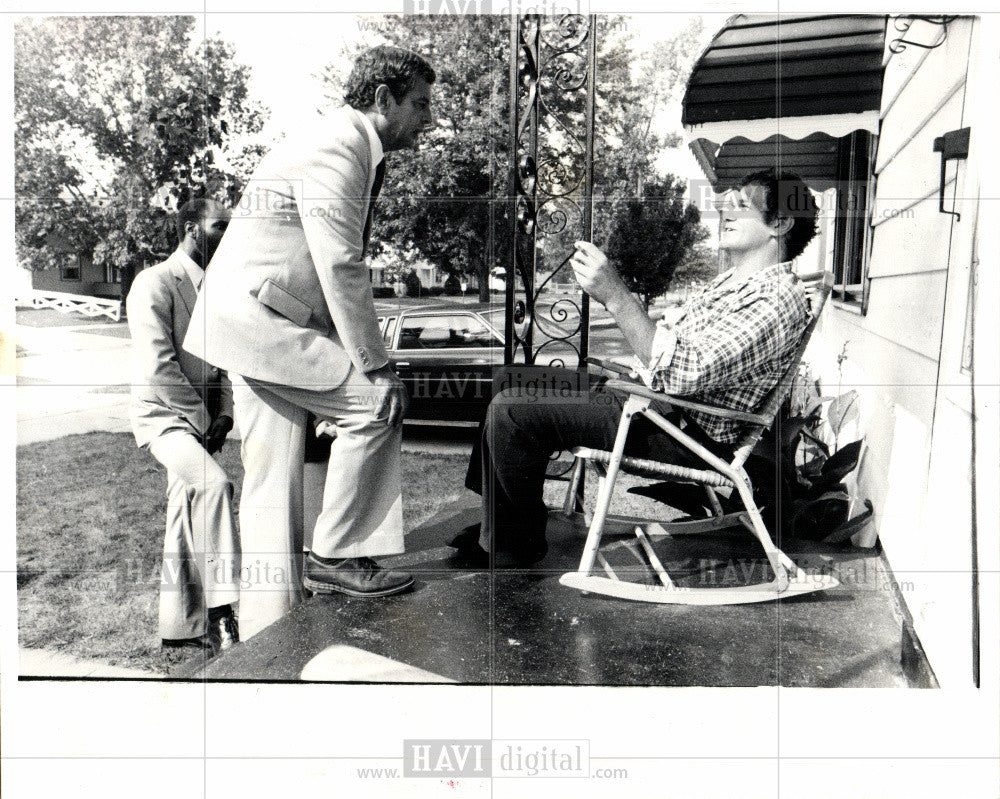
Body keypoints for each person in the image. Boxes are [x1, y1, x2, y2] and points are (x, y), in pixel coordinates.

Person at [183, 46, 436, 639]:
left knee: (272, 481)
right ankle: (337, 554)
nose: (427, 119)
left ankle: (271, 634)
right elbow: (339, 263)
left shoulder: (340, 142)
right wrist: (373, 365)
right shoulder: (341, 146)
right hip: (262, 326)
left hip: (247, 325)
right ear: (382, 99)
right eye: (420, 105)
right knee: (377, 405)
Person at [456, 169, 820, 566]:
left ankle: (514, 544)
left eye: (741, 206)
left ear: (780, 223)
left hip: (679, 429)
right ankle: (502, 523)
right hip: (647, 399)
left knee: (514, 411)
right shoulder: (735, 283)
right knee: (509, 379)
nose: (724, 212)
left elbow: (686, 373)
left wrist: (614, 295)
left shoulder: (776, 298)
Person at [127, 197, 239, 654]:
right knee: (214, 486)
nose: (227, 234)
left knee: (185, 512)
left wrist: (227, 414)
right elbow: (159, 368)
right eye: (219, 226)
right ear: (192, 229)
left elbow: (226, 362)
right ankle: (223, 611)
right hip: (164, 419)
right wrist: (202, 422)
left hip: (205, 421)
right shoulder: (153, 283)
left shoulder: (219, 288)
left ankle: (181, 628)